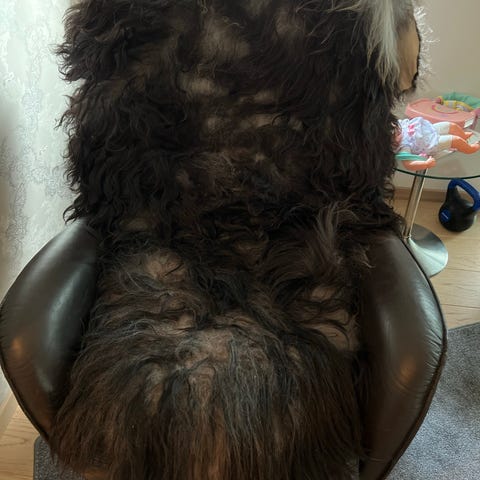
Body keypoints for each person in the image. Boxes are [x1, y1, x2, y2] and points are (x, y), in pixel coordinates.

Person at [49, 1, 424, 479]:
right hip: (167, 234)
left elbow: (398, 75)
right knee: (156, 391)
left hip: (298, 239)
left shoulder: (364, 15)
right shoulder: (131, 20)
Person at [396, 117, 480, 171]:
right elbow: (408, 165)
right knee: (456, 140)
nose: (395, 130)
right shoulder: (404, 146)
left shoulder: (398, 125)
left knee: (451, 125)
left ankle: (463, 135)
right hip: (432, 143)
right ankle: (469, 149)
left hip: (430, 129)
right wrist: (426, 164)